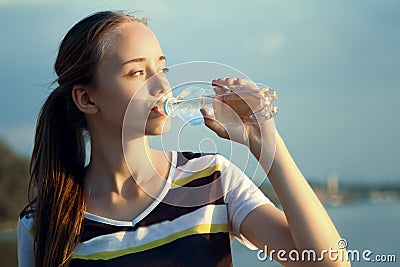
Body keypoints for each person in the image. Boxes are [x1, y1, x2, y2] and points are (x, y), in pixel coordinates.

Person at [17, 11, 349, 267]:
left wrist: (267, 144)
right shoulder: (40, 223)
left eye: (162, 69)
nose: (161, 87)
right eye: (137, 72)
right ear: (87, 99)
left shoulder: (212, 179)